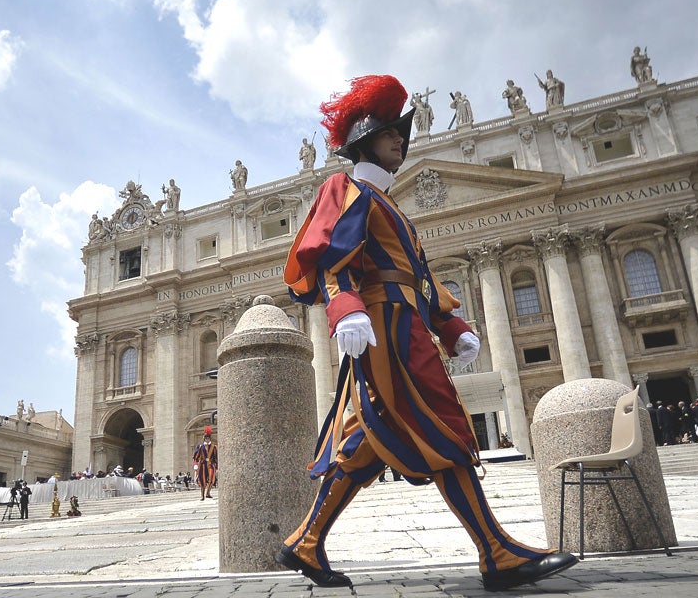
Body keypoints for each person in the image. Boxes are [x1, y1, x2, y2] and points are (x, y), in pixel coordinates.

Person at [276, 74, 577, 590]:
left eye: (401, 133)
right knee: (444, 426)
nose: (401, 141)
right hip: (384, 328)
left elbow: (418, 277)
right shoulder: (346, 188)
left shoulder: (394, 208)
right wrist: (346, 309)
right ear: (366, 140)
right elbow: (332, 256)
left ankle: (305, 541)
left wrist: (450, 323)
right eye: (392, 132)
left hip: (405, 322)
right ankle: (497, 553)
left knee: (367, 439)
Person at [193, 426, 218, 501]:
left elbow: (216, 457)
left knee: (211, 479)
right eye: (206, 438)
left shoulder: (214, 447)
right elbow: (196, 457)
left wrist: (216, 465)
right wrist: (195, 465)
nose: (207, 439)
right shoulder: (200, 447)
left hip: (210, 465)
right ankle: (202, 495)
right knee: (202, 480)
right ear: (204, 439)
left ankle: (208, 493)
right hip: (202, 465)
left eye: (208, 438)